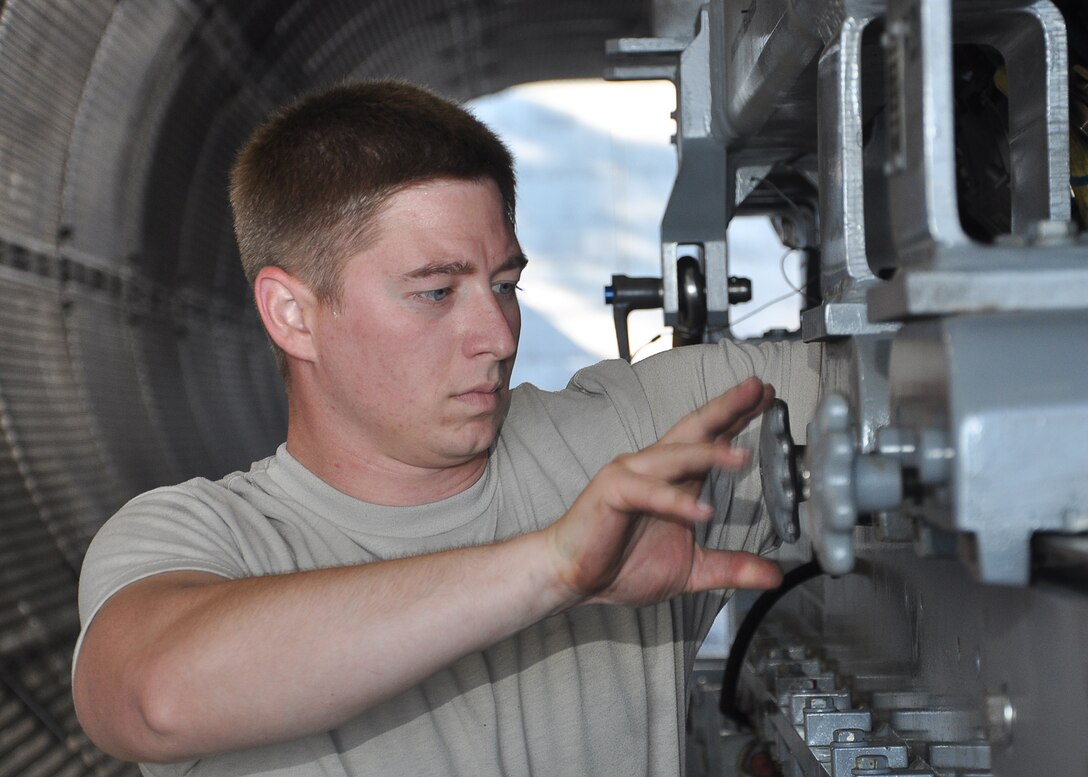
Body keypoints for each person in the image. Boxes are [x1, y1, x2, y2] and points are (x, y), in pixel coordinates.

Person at [72, 79, 821, 777]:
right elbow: (151, 698)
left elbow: (905, 385)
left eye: (504, 285)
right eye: (435, 292)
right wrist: (556, 569)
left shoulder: (640, 437)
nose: (497, 334)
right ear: (292, 315)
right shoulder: (204, 539)